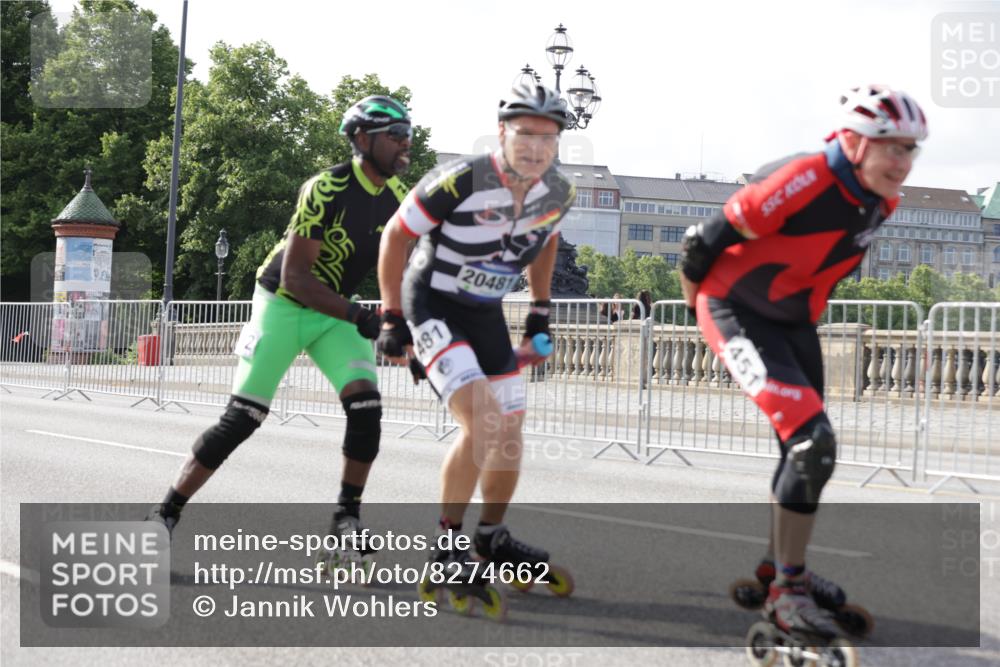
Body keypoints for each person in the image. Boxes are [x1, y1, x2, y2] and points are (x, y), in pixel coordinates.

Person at [679, 84, 927, 637]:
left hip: (793, 324)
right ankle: (787, 591)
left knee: (805, 451)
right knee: (813, 443)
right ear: (856, 142)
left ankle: (780, 568)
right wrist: (703, 313)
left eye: (913, 150)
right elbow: (699, 246)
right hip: (734, 308)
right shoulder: (803, 178)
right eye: (894, 147)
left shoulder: (881, 200)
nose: (904, 162)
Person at [147, 96, 413, 556]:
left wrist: (402, 327)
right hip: (285, 302)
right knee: (243, 418)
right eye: (395, 135)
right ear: (362, 139)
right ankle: (165, 514)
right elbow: (297, 278)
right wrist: (366, 319)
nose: (405, 144)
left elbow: (403, 274)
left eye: (408, 134)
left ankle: (346, 518)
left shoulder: (395, 202)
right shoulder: (325, 189)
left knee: (367, 407)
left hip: (333, 312)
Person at [376, 83, 576, 604]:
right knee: (482, 420)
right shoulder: (461, 179)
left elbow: (546, 241)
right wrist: (392, 317)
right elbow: (395, 237)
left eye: (548, 139)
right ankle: (446, 546)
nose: (536, 148)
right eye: (526, 134)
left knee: (509, 430)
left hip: (485, 312)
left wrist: (540, 309)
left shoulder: (558, 193)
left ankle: (489, 536)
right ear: (503, 131)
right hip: (433, 303)